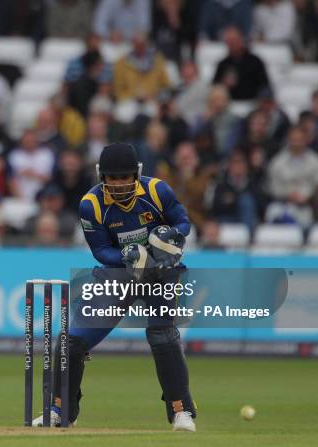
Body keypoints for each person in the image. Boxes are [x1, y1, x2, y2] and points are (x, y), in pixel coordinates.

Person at [32, 142, 197, 432]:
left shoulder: (158, 191)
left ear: (137, 174)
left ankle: (181, 411)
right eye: (112, 178)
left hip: (160, 273)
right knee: (72, 340)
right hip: (120, 275)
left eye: (124, 177)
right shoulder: (91, 205)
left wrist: (168, 238)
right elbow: (100, 250)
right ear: (101, 176)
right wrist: (127, 256)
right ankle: (60, 410)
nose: (119, 184)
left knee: (163, 337)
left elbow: (183, 223)